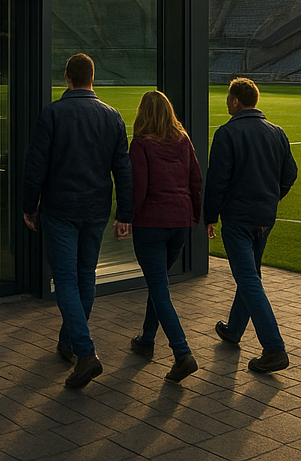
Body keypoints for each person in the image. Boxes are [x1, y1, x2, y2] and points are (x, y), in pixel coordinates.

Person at [22, 53, 133, 389]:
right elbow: (123, 171)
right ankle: (70, 342)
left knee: (67, 280)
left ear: (67, 78)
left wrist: (30, 206)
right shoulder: (112, 116)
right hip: (96, 209)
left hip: (60, 209)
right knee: (85, 277)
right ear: (92, 79)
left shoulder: (53, 113)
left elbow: (35, 166)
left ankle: (85, 352)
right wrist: (125, 214)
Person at [205, 77, 298, 373]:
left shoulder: (227, 133)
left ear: (235, 101)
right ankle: (234, 329)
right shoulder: (277, 132)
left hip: (238, 218)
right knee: (250, 275)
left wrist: (210, 216)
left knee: (248, 279)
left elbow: (217, 181)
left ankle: (274, 347)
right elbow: (290, 174)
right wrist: (272, 198)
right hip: (264, 218)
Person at [128, 90, 203, 382]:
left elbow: (139, 188)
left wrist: (127, 218)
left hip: (151, 224)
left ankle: (182, 352)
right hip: (180, 223)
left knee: (159, 287)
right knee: (157, 283)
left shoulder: (141, 144)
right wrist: (193, 215)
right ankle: (146, 339)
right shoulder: (183, 140)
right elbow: (195, 180)